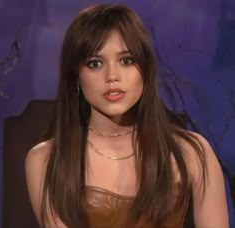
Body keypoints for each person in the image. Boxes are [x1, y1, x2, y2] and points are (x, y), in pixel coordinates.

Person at [25, 3, 229, 228]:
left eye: (126, 60)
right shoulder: (46, 160)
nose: (112, 76)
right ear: (76, 76)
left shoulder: (192, 153)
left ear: (145, 68)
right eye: (95, 63)